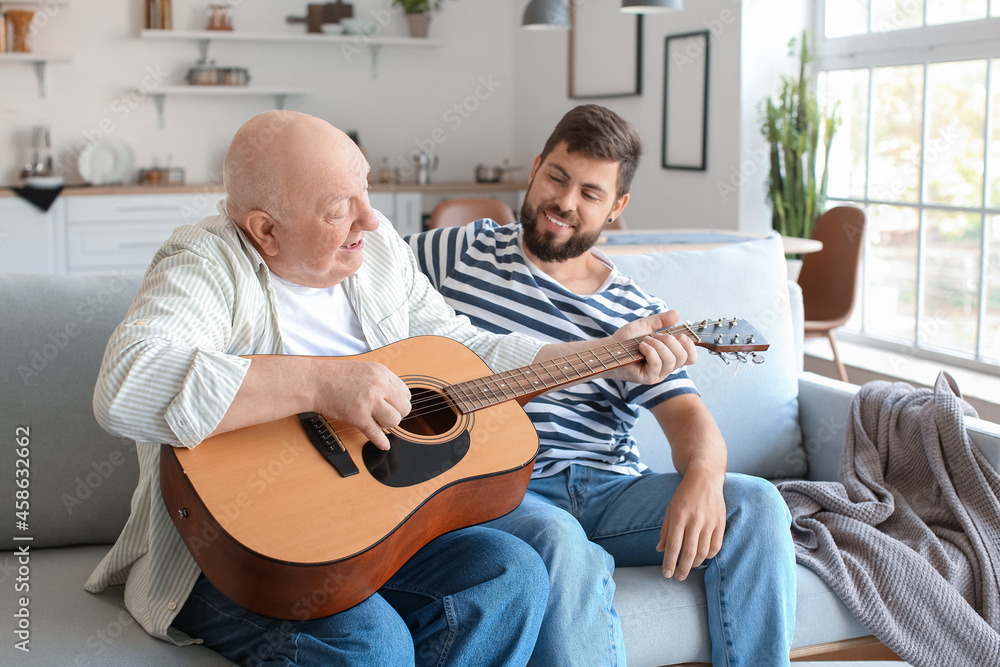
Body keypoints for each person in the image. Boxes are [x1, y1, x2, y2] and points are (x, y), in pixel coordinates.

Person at [84, 110, 693, 667]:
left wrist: (596, 358)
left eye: (366, 191)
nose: (371, 221)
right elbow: (126, 381)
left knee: (511, 576)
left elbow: (461, 349)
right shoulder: (205, 261)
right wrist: (321, 381)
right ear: (265, 230)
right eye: (338, 208)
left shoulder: (375, 256)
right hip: (233, 554)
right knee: (374, 644)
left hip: (366, 536)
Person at [407, 104, 797, 667]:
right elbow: (358, 270)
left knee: (757, 503)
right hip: (505, 490)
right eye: (558, 178)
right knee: (562, 540)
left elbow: (689, 419)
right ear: (537, 168)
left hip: (609, 492)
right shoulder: (459, 251)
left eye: (591, 193)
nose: (565, 203)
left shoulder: (633, 309)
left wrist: (705, 479)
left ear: (616, 208)